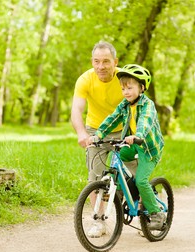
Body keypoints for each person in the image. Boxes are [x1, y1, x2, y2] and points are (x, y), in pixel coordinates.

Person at [88, 64, 166, 234]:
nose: (126, 92)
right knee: (118, 159)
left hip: (147, 148)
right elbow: (112, 118)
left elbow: (145, 121)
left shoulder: (148, 105)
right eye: (123, 88)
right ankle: (124, 190)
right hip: (132, 145)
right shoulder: (124, 105)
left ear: (142, 87)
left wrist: (137, 135)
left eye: (130, 88)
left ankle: (156, 213)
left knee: (141, 180)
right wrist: (99, 134)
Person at [71, 41, 124, 184]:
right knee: (95, 178)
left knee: (130, 176)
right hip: (95, 130)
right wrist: (81, 133)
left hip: (122, 130)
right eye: (97, 61)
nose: (101, 66)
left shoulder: (125, 79)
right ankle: (97, 208)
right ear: (92, 62)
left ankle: (137, 203)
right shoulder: (85, 80)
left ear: (115, 62)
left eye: (106, 61)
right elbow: (76, 108)